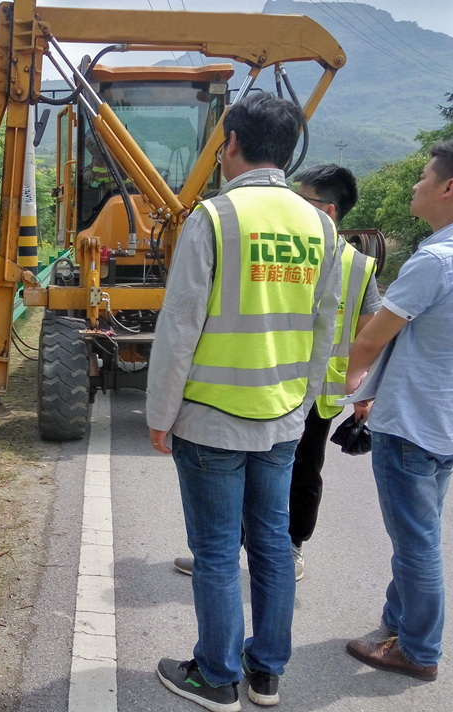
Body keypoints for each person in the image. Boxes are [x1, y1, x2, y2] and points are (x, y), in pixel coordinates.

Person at [147, 93, 342, 710]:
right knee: (272, 544)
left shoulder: (216, 217)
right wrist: (302, 403)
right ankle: (265, 674)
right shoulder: (320, 225)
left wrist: (159, 415)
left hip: (211, 421)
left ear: (230, 144)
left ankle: (216, 674)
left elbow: (179, 329)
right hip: (282, 418)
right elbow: (323, 326)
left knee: (213, 552)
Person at [344, 139, 453, 681]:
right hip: (451, 421)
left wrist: (355, 386)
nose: (415, 185)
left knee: (416, 544)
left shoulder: (436, 258)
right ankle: (398, 622)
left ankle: (418, 650)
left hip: (410, 424)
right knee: (421, 532)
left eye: (423, 177)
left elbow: (372, 338)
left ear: (448, 188)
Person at [174, 165, 381, 582]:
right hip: (270, 382)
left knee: (303, 474)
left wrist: (365, 389)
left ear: (328, 210)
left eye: (301, 199)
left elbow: (370, 333)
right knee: (245, 478)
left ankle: (288, 549)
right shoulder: (283, 243)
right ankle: (223, 551)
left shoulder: (356, 265)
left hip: (317, 393)